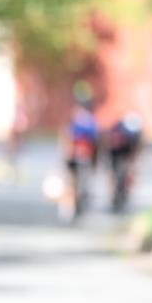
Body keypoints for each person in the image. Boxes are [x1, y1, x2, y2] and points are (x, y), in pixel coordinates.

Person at [59, 80, 99, 222]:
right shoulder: (84, 119)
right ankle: (71, 204)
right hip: (77, 155)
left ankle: (73, 203)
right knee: (73, 180)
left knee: (75, 180)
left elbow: (94, 141)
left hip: (79, 155)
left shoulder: (80, 118)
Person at [106, 112, 143, 211]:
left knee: (119, 174)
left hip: (120, 155)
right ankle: (115, 195)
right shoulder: (127, 132)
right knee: (117, 175)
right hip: (118, 155)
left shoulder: (124, 131)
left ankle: (118, 194)